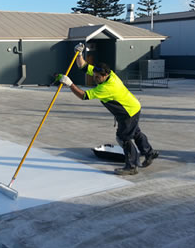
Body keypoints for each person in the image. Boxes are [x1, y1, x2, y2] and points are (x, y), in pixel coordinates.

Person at [58, 43, 158, 175]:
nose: (95, 78)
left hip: (128, 112)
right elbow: (83, 66)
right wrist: (80, 54)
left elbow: (83, 96)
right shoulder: (107, 74)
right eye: (94, 76)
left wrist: (70, 84)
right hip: (132, 107)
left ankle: (132, 166)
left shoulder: (106, 88)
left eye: (97, 77)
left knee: (123, 138)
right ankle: (149, 153)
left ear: (105, 75)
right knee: (135, 133)